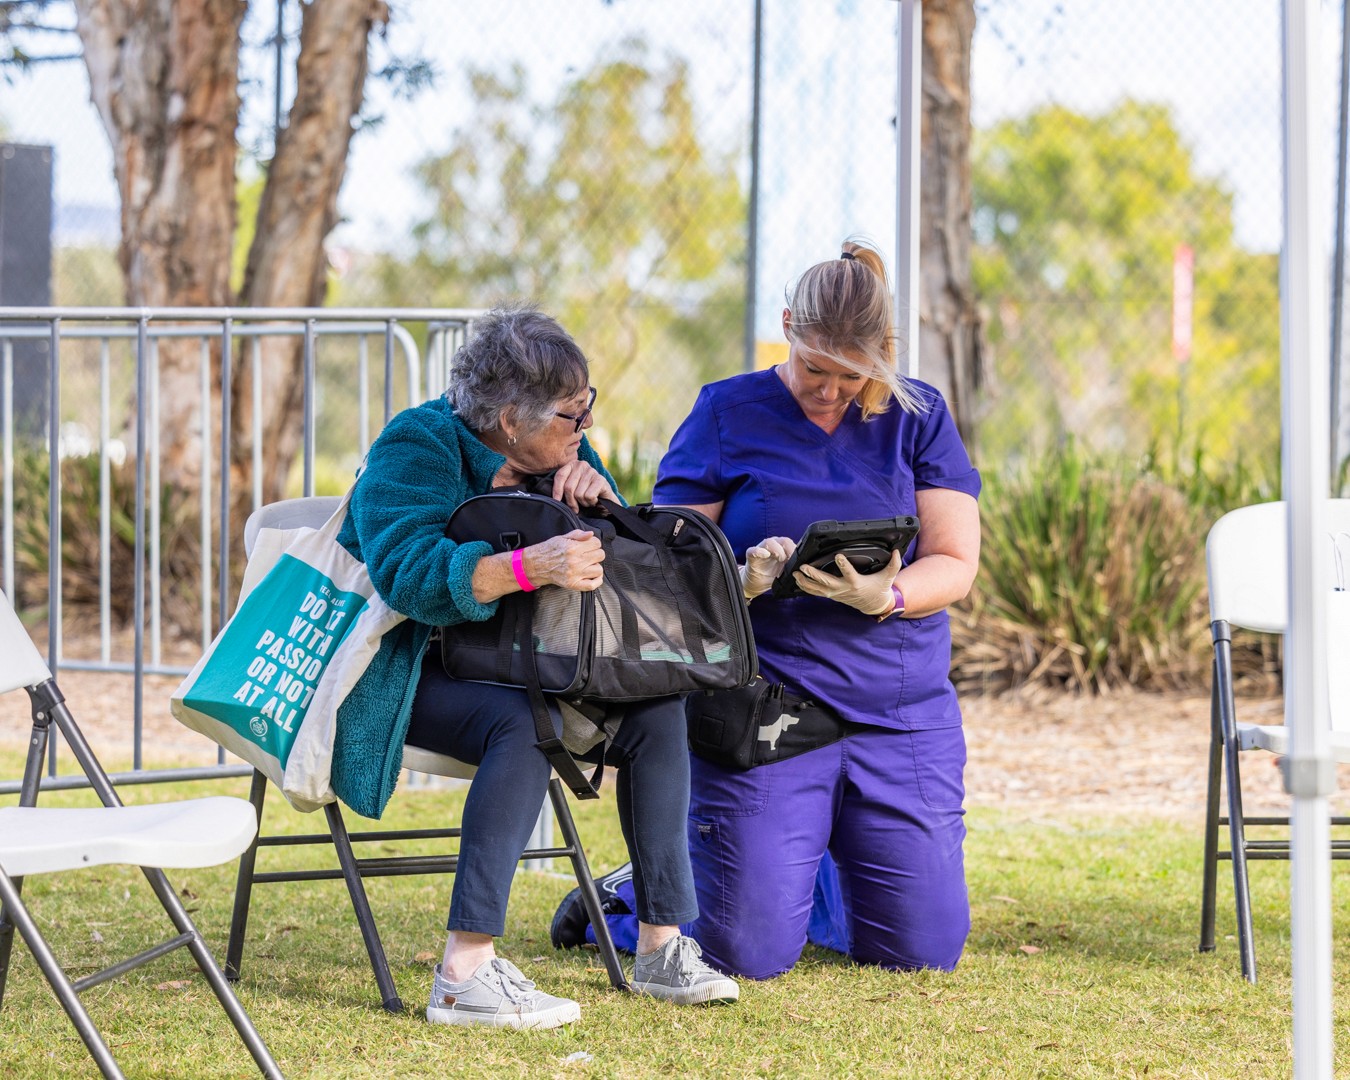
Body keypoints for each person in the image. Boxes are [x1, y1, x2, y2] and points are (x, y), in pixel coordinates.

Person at [331, 305, 739, 1029]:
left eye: (588, 410)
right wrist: (524, 565)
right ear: (510, 417)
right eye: (570, 415)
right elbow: (407, 574)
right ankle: (463, 972)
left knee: (656, 709)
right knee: (525, 726)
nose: (584, 427)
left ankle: (661, 945)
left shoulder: (562, 454)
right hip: (410, 668)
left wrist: (605, 509)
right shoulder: (417, 445)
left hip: (534, 661)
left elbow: (614, 578)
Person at [651, 240, 981, 978]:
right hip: (770, 707)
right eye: (812, 369)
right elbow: (666, 556)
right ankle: (628, 898)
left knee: (923, 954)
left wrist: (888, 596)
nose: (827, 391)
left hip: (897, 709)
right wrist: (739, 580)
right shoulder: (725, 410)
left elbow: (956, 563)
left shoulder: (918, 415)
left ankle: (805, 874)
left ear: (882, 355)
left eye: (849, 375)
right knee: (746, 953)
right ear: (787, 326)